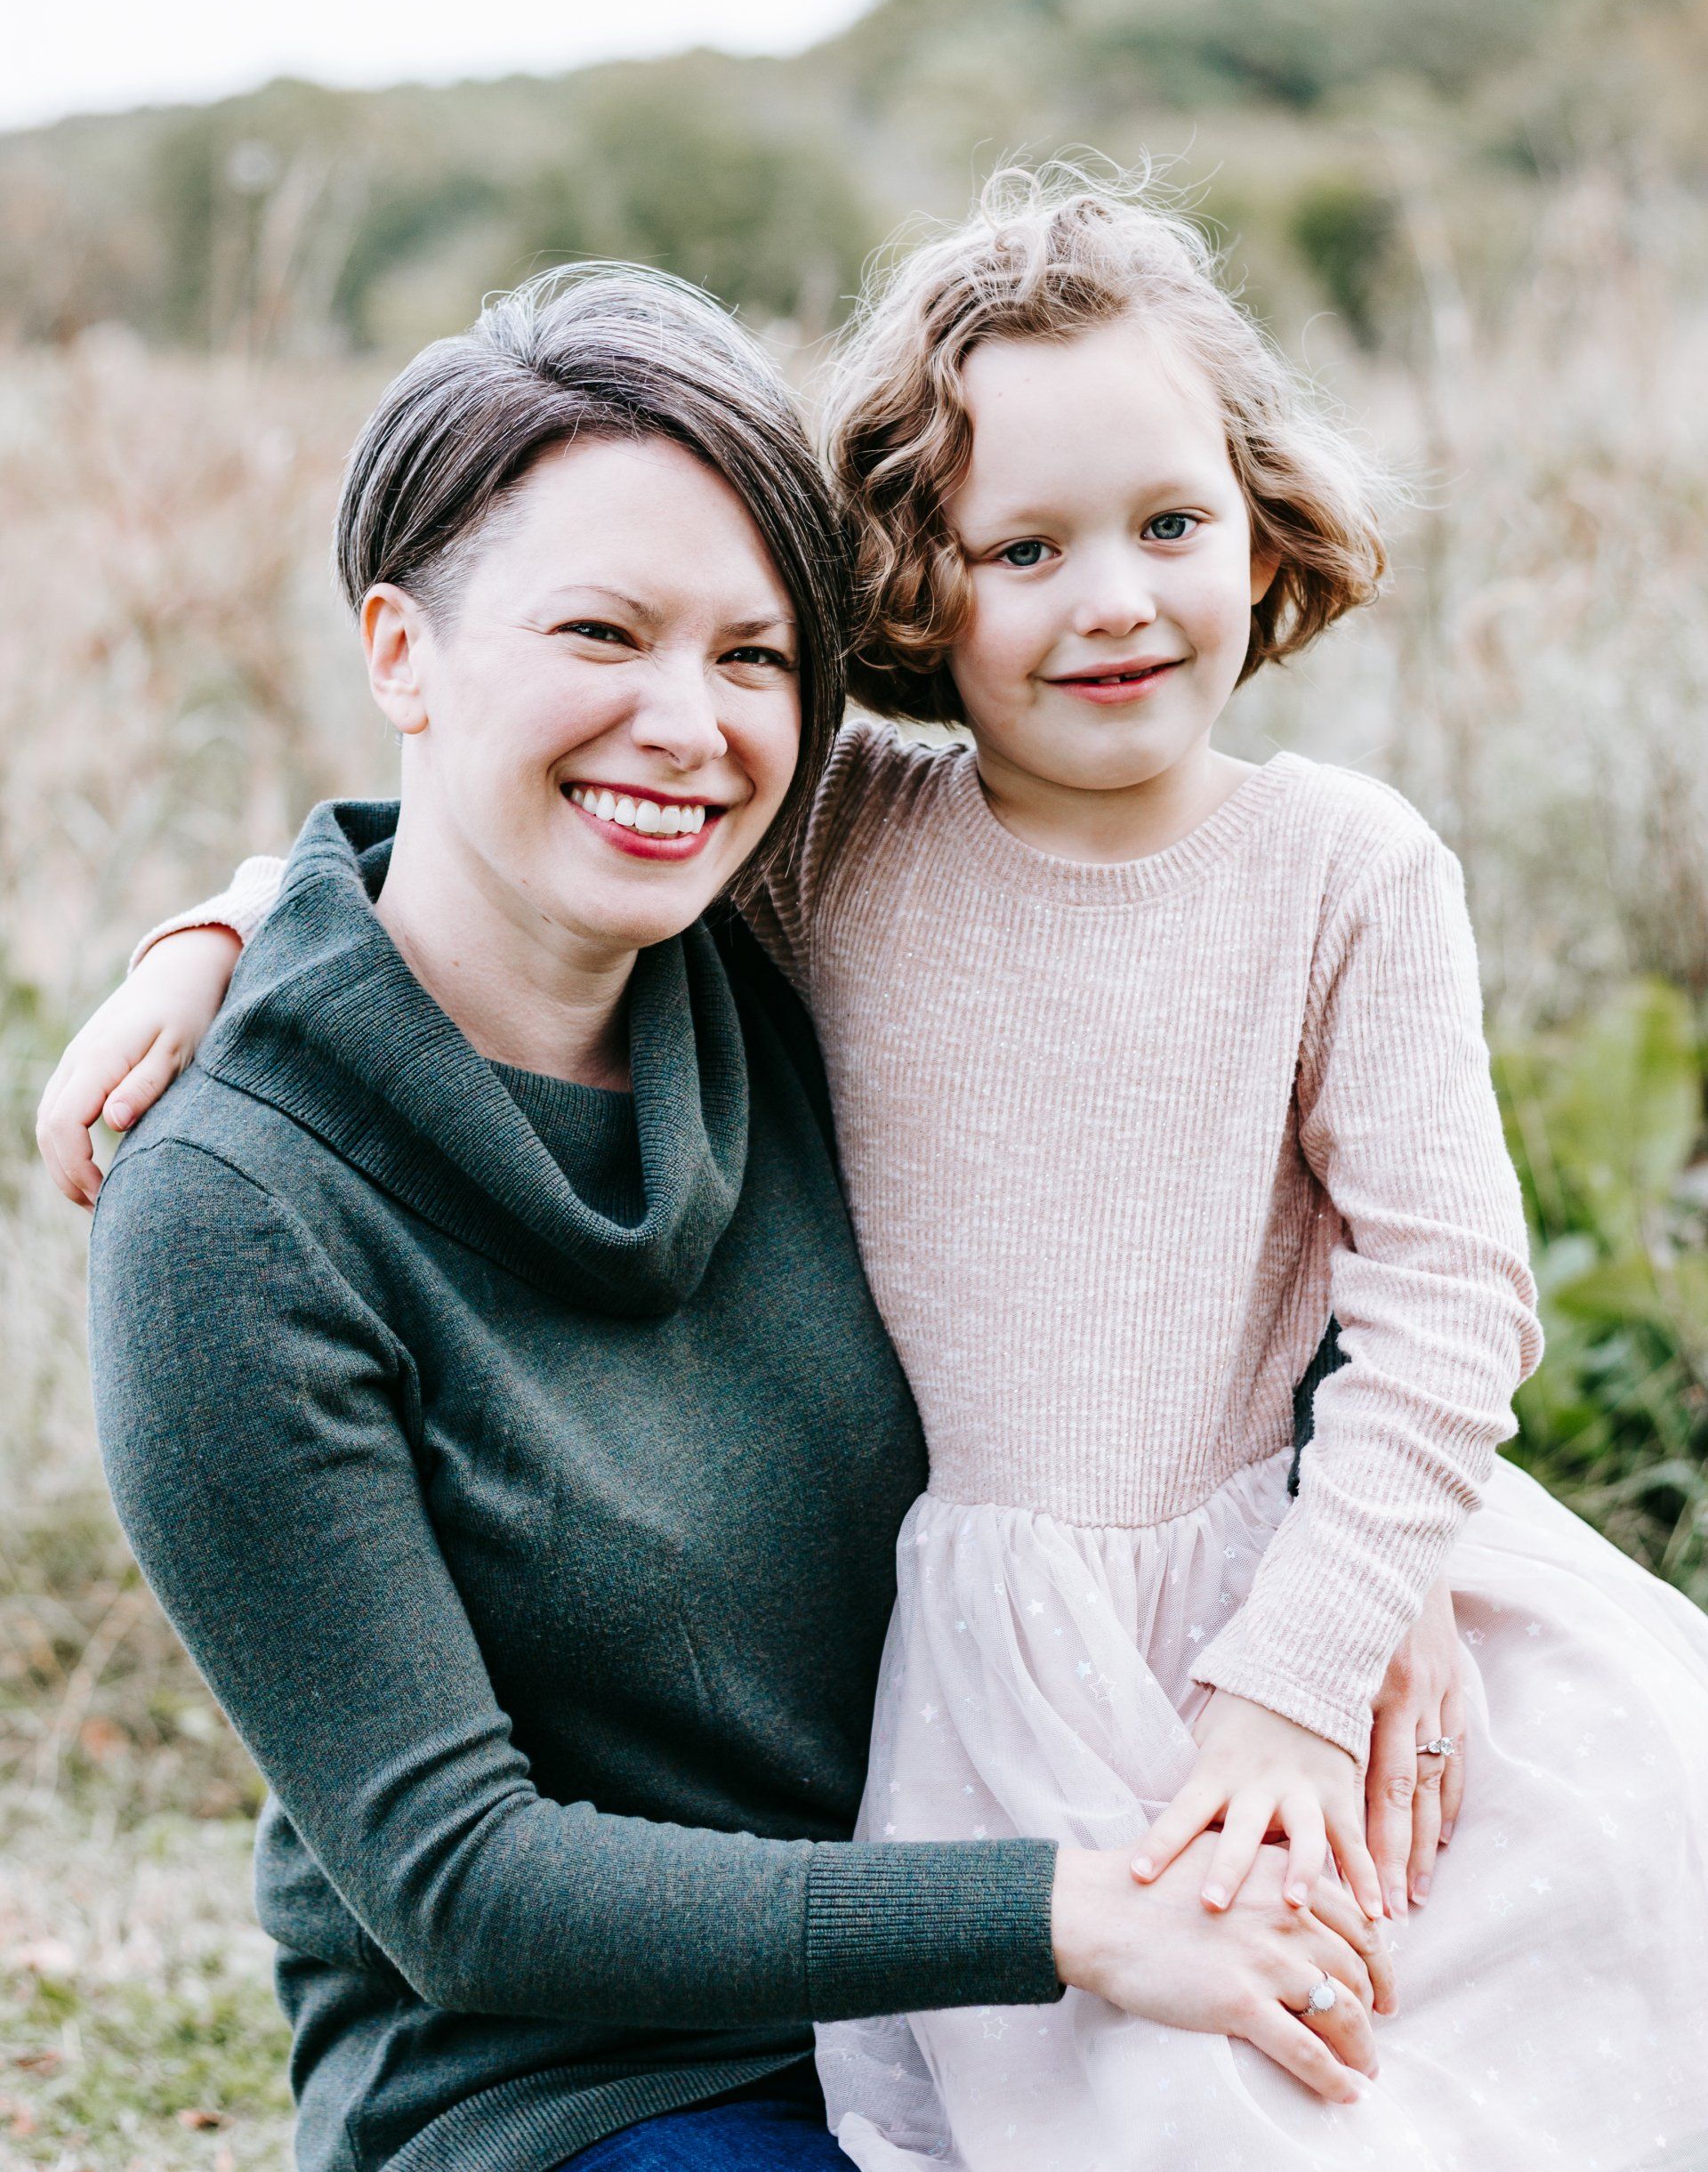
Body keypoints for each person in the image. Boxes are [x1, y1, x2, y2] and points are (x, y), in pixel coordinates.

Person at [61, 174, 1708, 2167]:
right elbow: (461, 1879)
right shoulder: (253, 1204)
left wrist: (1353, 1575)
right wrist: (234, 929)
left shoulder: (784, 917)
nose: (686, 728)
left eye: (754, 657)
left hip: (1164, 1744)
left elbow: (1364, 1264)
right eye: (601, 630)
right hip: (637, 2037)